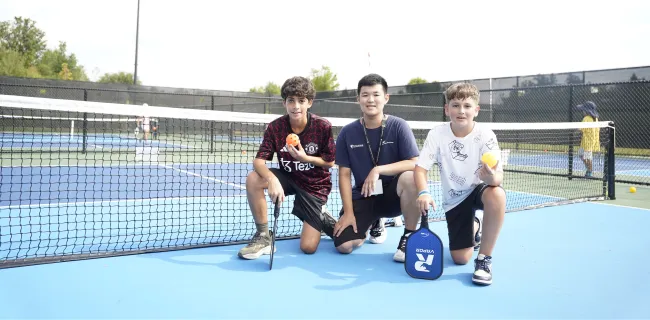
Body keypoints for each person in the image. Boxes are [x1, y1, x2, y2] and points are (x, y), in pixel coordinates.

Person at [413, 82, 506, 286]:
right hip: (454, 199)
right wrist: (423, 192)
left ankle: (484, 260)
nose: (461, 111)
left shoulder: (486, 135)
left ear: (476, 110)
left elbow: (498, 178)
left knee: (497, 194)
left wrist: (491, 179)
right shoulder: (437, 134)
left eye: (466, 106)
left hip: (478, 188)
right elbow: (420, 169)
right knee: (460, 258)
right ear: (447, 110)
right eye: (455, 105)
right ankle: (475, 226)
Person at [238, 76, 337, 259]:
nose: (296, 106)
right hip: (289, 177)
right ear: (284, 103)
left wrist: (305, 158)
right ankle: (263, 236)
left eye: (301, 101)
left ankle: (322, 217)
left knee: (308, 247)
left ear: (310, 103)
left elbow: (330, 162)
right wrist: (272, 179)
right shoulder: (276, 127)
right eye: (291, 101)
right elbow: (259, 161)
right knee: (254, 178)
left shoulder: (322, 126)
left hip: (314, 186)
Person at [332, 73, 421, 262]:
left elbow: (414, 162)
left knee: (410, 177)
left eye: (376, 94)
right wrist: (348, 213)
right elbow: (344, 175)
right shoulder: (347, 133)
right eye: (365, 95)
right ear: (358, 99)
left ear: (386, 98)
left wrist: (378, 169)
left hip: (393, 197)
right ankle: (371, 222)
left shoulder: (399, 126)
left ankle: (409, 237)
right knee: (344, 246)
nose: (370, 100)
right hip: (364, 196)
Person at [576, 101, 600, 177]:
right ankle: (589, 170)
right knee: (581, 155)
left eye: (583, 110)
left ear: (587, 110)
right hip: (592, 142)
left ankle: (589, 172)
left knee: (586, 157)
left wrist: (573, 132)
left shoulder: (586, 118)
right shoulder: (596, 119)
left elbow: (580, 129)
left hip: (587, 143)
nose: (583, 111)